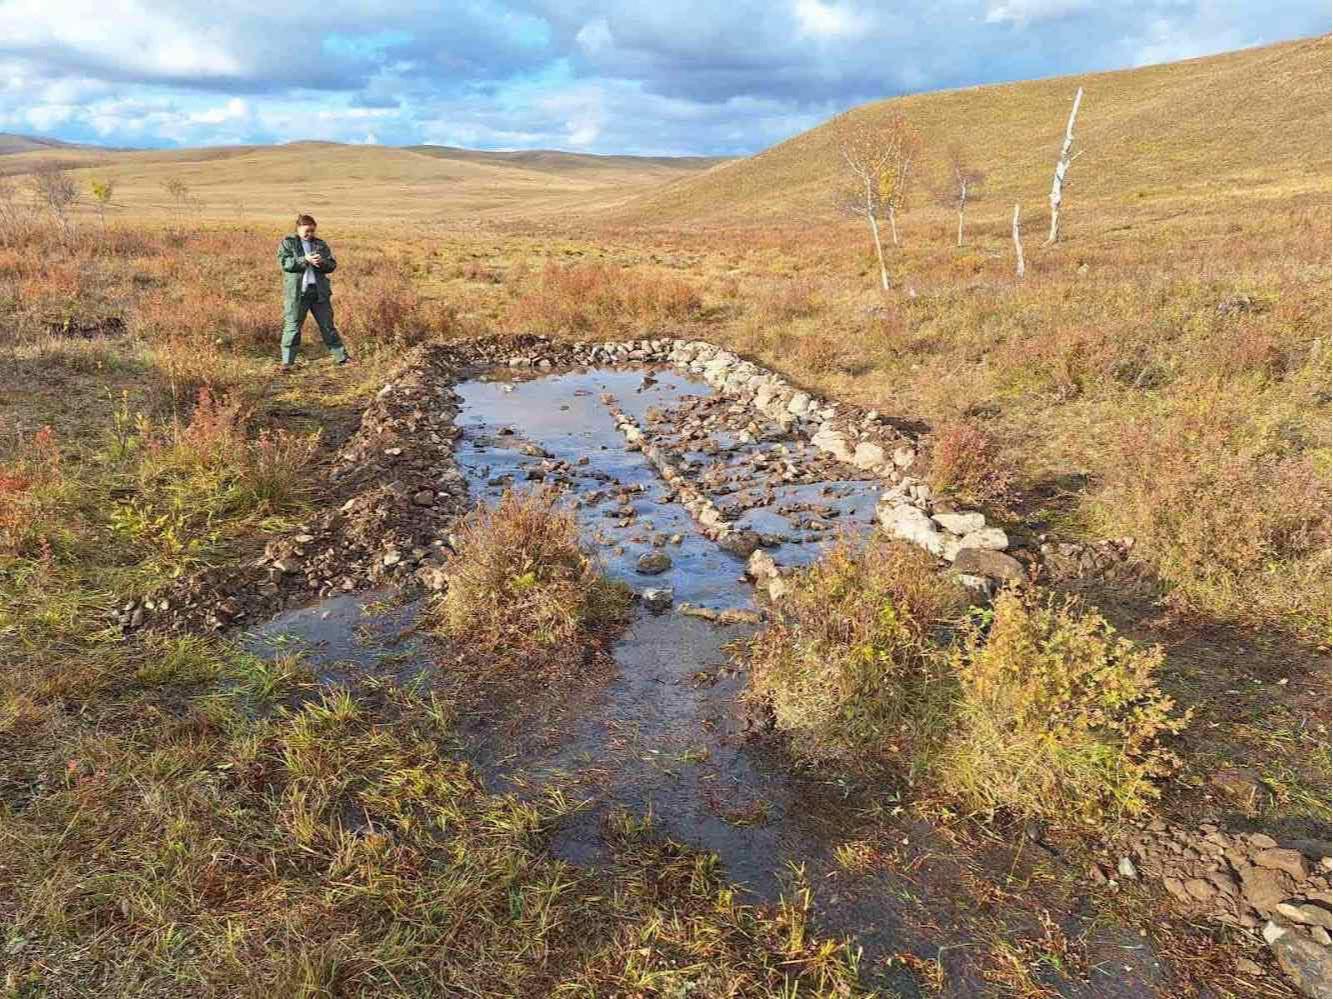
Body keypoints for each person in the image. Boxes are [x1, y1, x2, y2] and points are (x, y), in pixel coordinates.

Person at [277, 213, 350, 371]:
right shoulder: (288, 243)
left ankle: (342, 358)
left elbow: (331, 265)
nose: (310, 234)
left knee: (327, 326)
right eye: (307, 231)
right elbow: (285, 263)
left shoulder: (320, 244)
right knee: (293, 327)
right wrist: (305, 260)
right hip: (297, 293)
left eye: (312, 231)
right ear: (298, 228)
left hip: (319, 292)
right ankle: (287, 363)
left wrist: (322, 262)